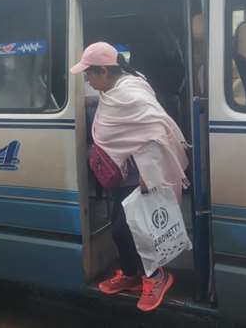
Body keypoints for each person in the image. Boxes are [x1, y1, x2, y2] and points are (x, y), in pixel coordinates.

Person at [71, 42, 189, 312]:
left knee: (139, 229)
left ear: (103, 71)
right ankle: (130, 274)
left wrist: (150, 174)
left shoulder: (131, 92)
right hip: (123, 173)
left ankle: (156, 276)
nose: (87, 80)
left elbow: (155, 131)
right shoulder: (113, 90)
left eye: (88, 74)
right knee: (120, 229)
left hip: (143, 174)